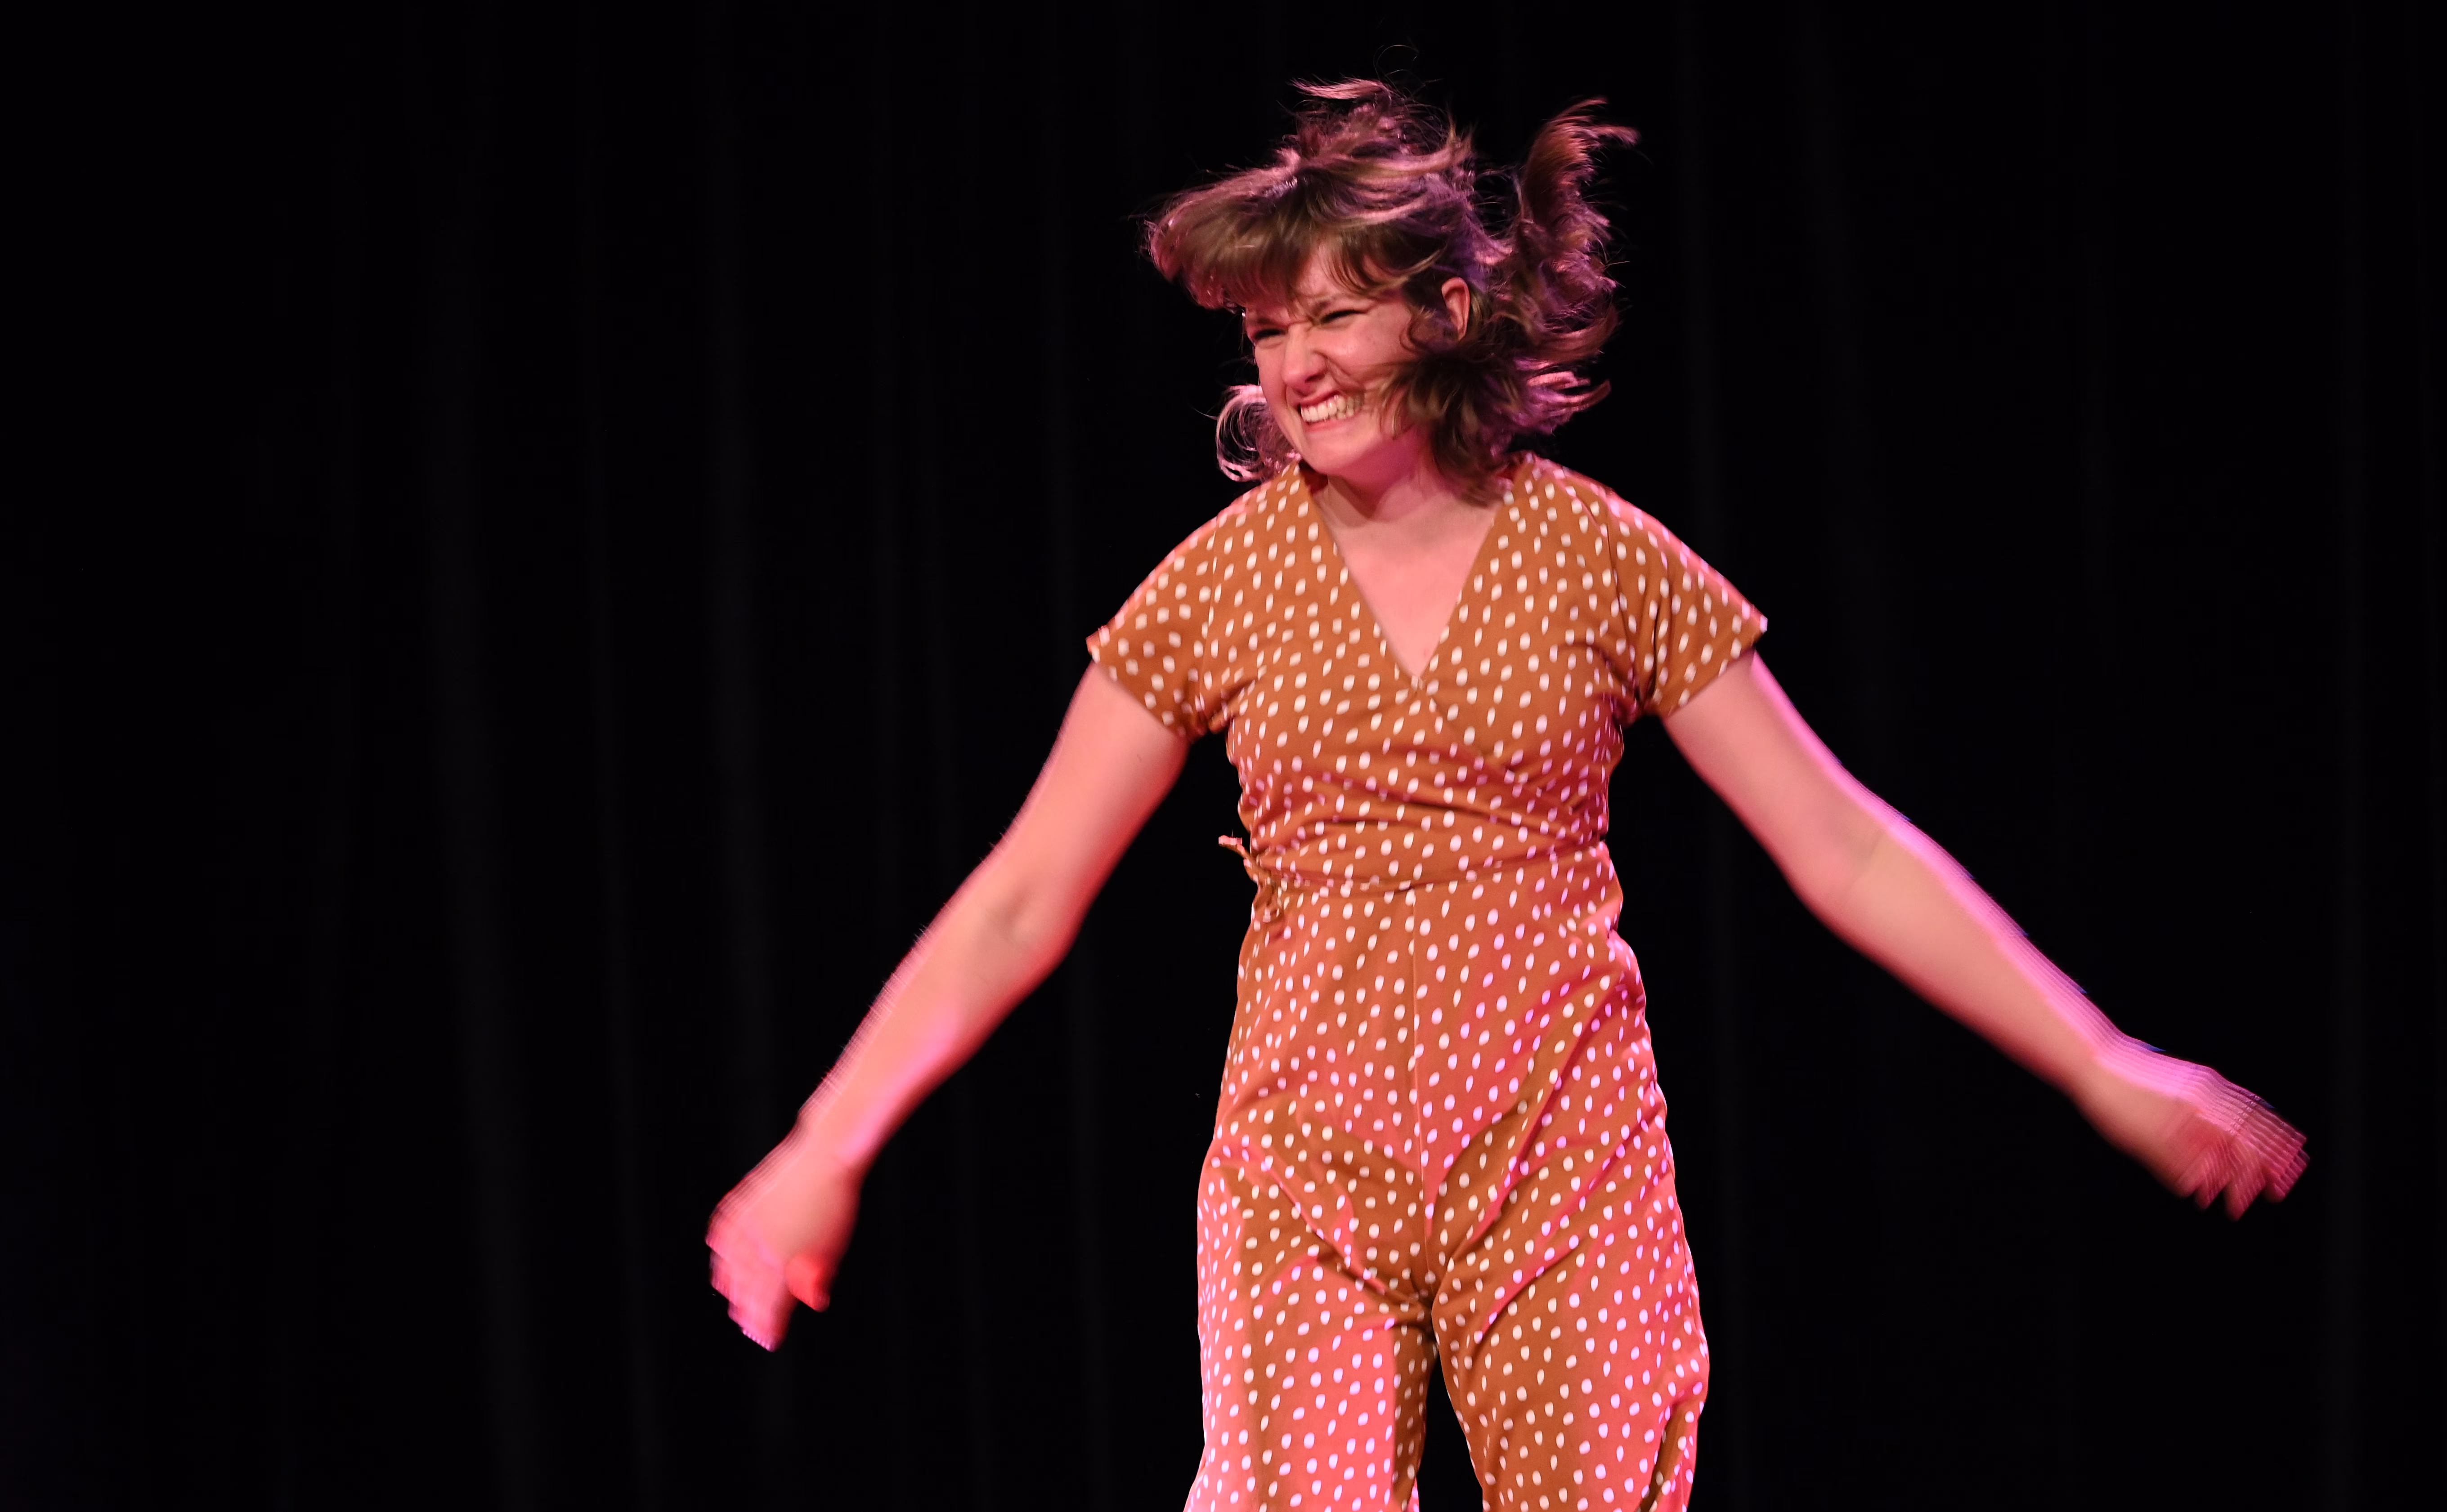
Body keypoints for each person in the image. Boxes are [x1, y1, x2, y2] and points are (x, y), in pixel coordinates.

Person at [707, 81, 2306, 1512]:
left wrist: (2100, 1063)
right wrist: (827, 1144)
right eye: (1267, 332)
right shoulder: (1220, 586)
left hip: (1563, 1167)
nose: (1297, 364)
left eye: (1336, 316)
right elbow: (1019, 896)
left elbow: (1842, 846)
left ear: (1448, 309)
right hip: (1307, 1180)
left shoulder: (1599, 558)